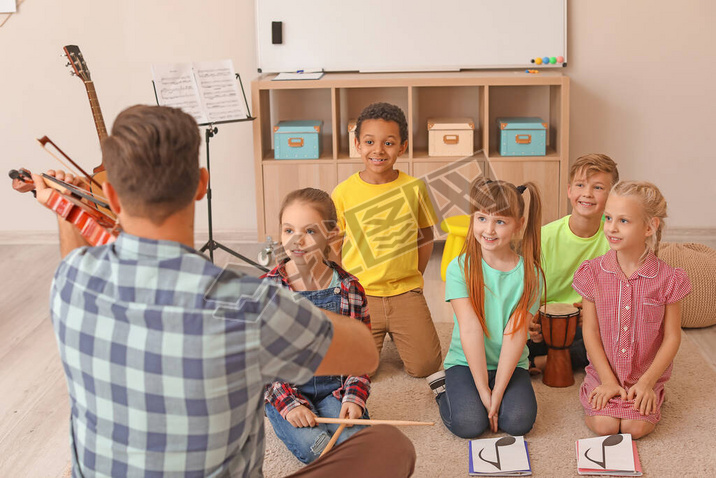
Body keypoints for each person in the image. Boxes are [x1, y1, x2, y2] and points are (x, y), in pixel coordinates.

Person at [28, 105, 416, 477]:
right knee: (390, 445)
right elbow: (364, 350)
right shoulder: (250, 304)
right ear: (201, 184)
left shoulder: (71, 281)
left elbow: (74, 261)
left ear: (111, 196)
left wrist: (66, 209)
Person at [331, 102, 442, 378]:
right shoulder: (342, 192)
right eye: (369, 142)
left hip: (405, 292)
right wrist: (343, 289)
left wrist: (414, 276)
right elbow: (334, 246)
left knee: (425, 367)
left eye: (389, 143)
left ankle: (400, 330)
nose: (378, 150)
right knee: (355, 370)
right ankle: (378, 335)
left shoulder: (415, 188)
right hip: (362, 295)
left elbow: (426, 235)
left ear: (402, 147)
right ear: (357, 144)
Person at [573, 180, 691, 439]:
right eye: (608, 218)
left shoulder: (669, 278)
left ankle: (652, 390)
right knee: (605, 426)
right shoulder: (592, 272)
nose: (612, 228)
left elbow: (672, 337)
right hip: (604, 371)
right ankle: (605, 385)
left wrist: (647, 382)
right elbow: (590, 331)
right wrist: (607, 380)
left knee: (634, 429)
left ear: (650, 227)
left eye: (624, 221)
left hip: (645, 374)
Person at [428, 177, 544, 438]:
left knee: (518, 423)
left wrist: (498, 391)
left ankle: (496, 392)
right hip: (465, 363)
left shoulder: (531, 274)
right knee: (469, 425)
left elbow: (515, 335)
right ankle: (442, 389)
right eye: (481, 218)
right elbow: (470, 329)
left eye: (500, 221)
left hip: (511, 364)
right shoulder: (459, 268)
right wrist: (483, 389)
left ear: (519, 225)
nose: (488, 230)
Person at [263, 188, 372, 464]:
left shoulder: (349, 288)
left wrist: (353, 397)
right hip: (287, 389)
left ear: (331, 236)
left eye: (310, 231)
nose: (297, 240)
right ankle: (279, 414)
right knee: (318, 447)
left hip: (335, 388)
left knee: (354, 446)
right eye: (288, 230)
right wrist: (288, 406)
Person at [529, 153, 620, 373]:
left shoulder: (615, 240)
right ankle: (555, 359)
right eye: (580, 185)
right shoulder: (543, 237)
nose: (587, 194)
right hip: (544, 321)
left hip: (587, 325)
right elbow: (526, 288)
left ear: (612, 196)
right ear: (570, 190)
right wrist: (529, 321)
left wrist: (593, 314)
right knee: (503, 334)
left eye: (598, 187)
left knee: (620, 338)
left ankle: (543, 363)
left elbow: (618, 294)